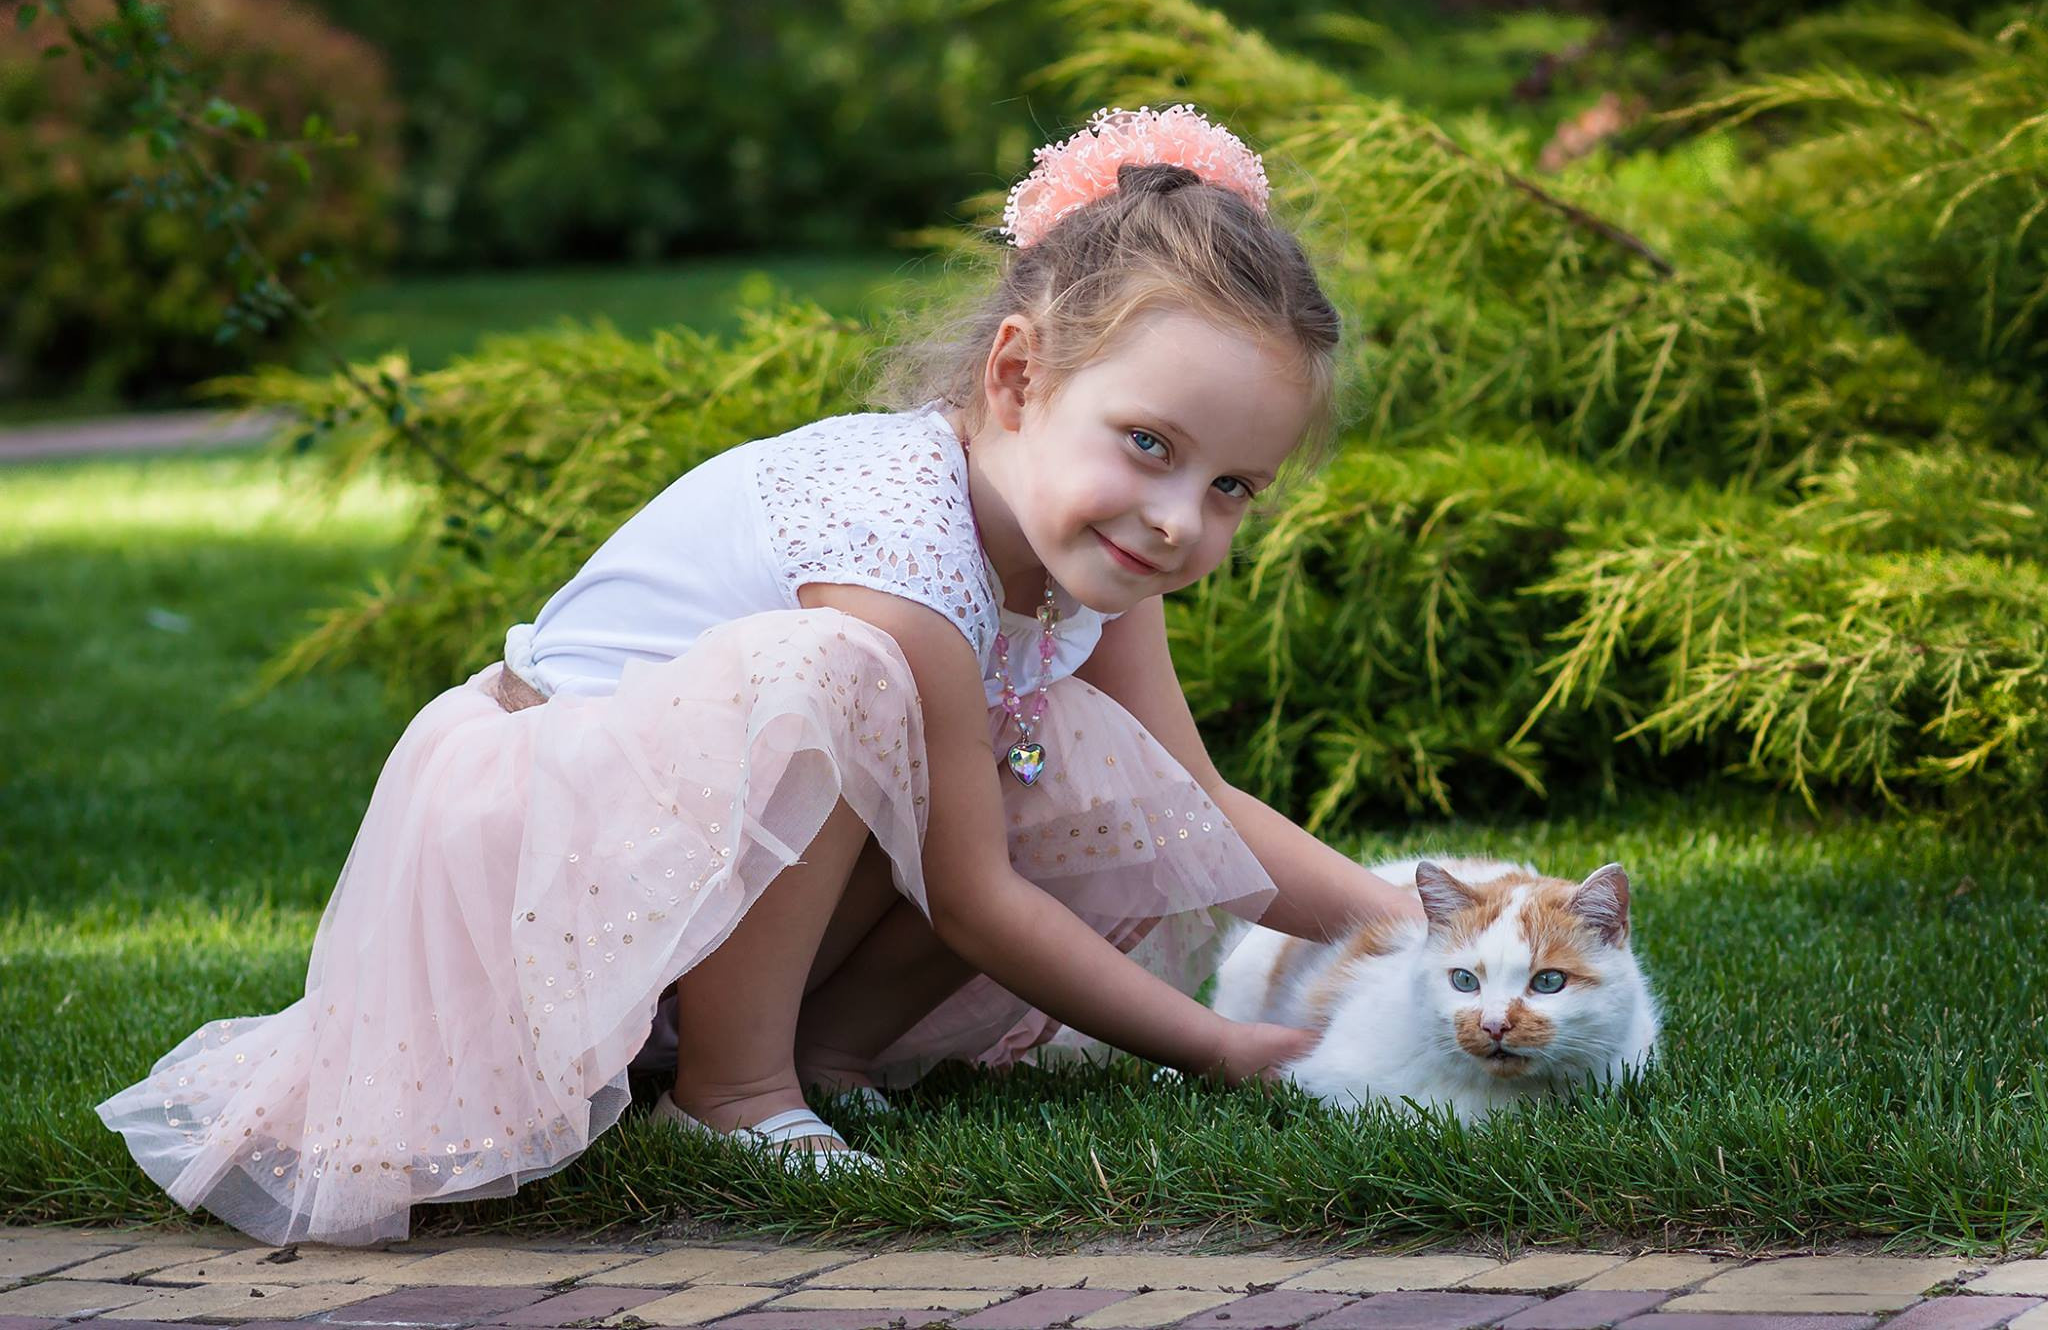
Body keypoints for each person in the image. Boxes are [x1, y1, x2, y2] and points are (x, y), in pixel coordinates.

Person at [95, 103, 1427, 1247]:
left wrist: (1423, 926)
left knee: (1077, 752)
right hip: (547, 875)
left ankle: (820, 1061)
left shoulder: (1090, 558)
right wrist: (1222, 1048)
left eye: (1233, 486)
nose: (1180, 520)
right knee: (837, 673)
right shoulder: (897, 542)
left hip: (705, 893)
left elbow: (1193, 806)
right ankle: (728, 1093)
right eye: (1148, 445)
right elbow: (970, 898)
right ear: (1016, 379)